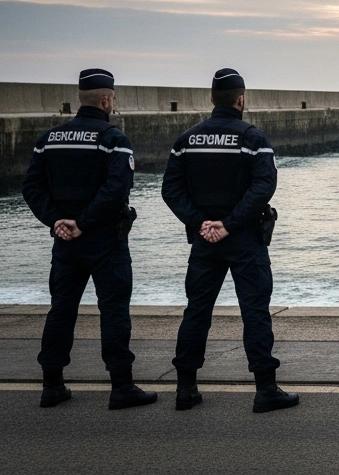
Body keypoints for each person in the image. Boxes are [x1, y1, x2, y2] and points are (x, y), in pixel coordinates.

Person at [162, 68, 298, 413]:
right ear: (241, 99)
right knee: (254, 312)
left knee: (197, 311)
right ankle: (266, 390)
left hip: (204, 239)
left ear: (211, 98)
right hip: (245, 240)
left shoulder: (187, 140)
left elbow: (171, 190)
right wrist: (231, 223)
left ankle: (185, 388)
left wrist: (202, 222)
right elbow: (263, 186)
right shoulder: (252, 138)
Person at [22, 69, 156, 410]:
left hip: (65, 240)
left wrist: (57, 222)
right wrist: (84, 222)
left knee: (61, 310)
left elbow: (32, 188)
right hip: (105, 240)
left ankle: (52, 385)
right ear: (107, 99)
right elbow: (116, 189)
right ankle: (121, 386)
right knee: (113, 311)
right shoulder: (113, 138)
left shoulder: (48, 139)